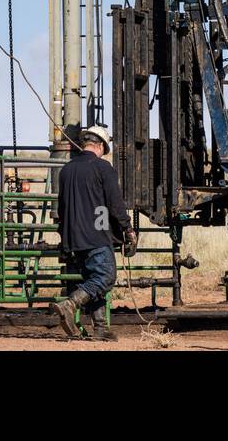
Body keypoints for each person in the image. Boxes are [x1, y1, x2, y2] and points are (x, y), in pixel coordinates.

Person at [51, 125, 136, 342]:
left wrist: (64, 237)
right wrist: (127, 228)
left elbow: (61, 209)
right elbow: (115, 204)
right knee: (105, 276)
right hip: (95, 235)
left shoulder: (66, 170)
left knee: (92, 279)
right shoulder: (102, 167)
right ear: (99, 146)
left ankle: (100, 328)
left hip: (73, 237)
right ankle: (70, 304)